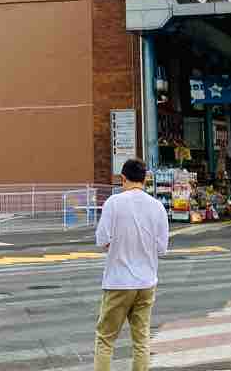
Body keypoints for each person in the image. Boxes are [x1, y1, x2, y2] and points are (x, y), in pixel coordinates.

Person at [93, 158, 169, 371]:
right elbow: (162, 248)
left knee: (105, 339)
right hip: (146, 282)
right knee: (141, 339)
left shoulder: (114, 203)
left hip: (118, 281)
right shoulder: (157, 207)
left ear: (123, 178)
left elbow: (102, 240)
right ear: (144, 180)